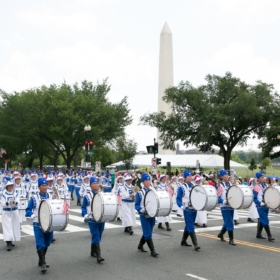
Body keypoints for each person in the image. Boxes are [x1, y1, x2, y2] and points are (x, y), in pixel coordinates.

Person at [25, 178, 54, 273]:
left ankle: (41, 260)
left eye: (46, 185)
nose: (45, 187)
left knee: (47, 242)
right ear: (39, 187)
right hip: (38, 223)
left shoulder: (51, 196)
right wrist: (32, 215)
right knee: (40, 243)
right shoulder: (34, 198)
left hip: (49, 223)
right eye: (43, 186)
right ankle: (43, 263)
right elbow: (28, 210)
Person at [81, 177, 105, 263]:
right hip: (92, 219)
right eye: (94, 183)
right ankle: (99, 256)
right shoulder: (87, 196)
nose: (96, 185)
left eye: (97, 183)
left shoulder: (102, 194)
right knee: (96, 235)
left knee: (99, 235)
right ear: (90, 186)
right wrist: (85, 214)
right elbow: (83, 207)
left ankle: (92, 251)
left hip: (101, 218)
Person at [135, 173, 158, 257]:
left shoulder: (153, 191)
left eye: (149, 180)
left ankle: (140, 245)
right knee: (148, 233)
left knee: (148, 231)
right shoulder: (140, 193)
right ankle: (153, 250)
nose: (148, 182)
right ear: (143, 182)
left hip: (152, 215)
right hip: (144, 215)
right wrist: (141, 209)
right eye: (146, 181)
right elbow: (136, 205)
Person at [176, 170, 200, 250]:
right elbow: (178, 199)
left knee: (188, 225)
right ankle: (195, 244)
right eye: (188, 176)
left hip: (194, 208)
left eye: (191, 176)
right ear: (185, 178)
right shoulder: (181, 187)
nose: (190, 177)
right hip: (187, 209)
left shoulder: (194, 185)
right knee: (191, 226)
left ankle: (183, 241)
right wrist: (181, 206)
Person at [216, 170, 236, 246]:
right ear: (222, 177)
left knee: (227, 222)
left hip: (231, 206)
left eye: (227, 175)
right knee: (230, 222)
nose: (227, 176)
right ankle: (231, 239)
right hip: (224, 207)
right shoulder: (220, 186)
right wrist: (224, 201)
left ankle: (221, 234)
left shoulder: (230, 184)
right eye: (225, 175)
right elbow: (217, 198)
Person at [253, 172, 275, 241]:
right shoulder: (256, 187)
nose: (264, 178)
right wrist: (260, 203)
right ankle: (269, 236)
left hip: (266, 205)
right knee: (265, 220)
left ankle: (258, 234)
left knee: (261, 220)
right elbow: (254, 198)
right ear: (258, 179)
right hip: (260, 206)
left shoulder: (265, 185)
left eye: (263, 177)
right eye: (262, 177)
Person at [1, 181, 21, 251]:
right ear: (7, 187)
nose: (11, 187)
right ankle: (8, 243)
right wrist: (8, 202)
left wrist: (15, 202)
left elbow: (18, 202)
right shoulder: (3, 194)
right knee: (7, 227)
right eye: (9, 186)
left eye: (12, 186)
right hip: (6, 212)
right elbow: (3, 203)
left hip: (14, 211)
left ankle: (11, 240)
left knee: (14, 226)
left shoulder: (15, 194)